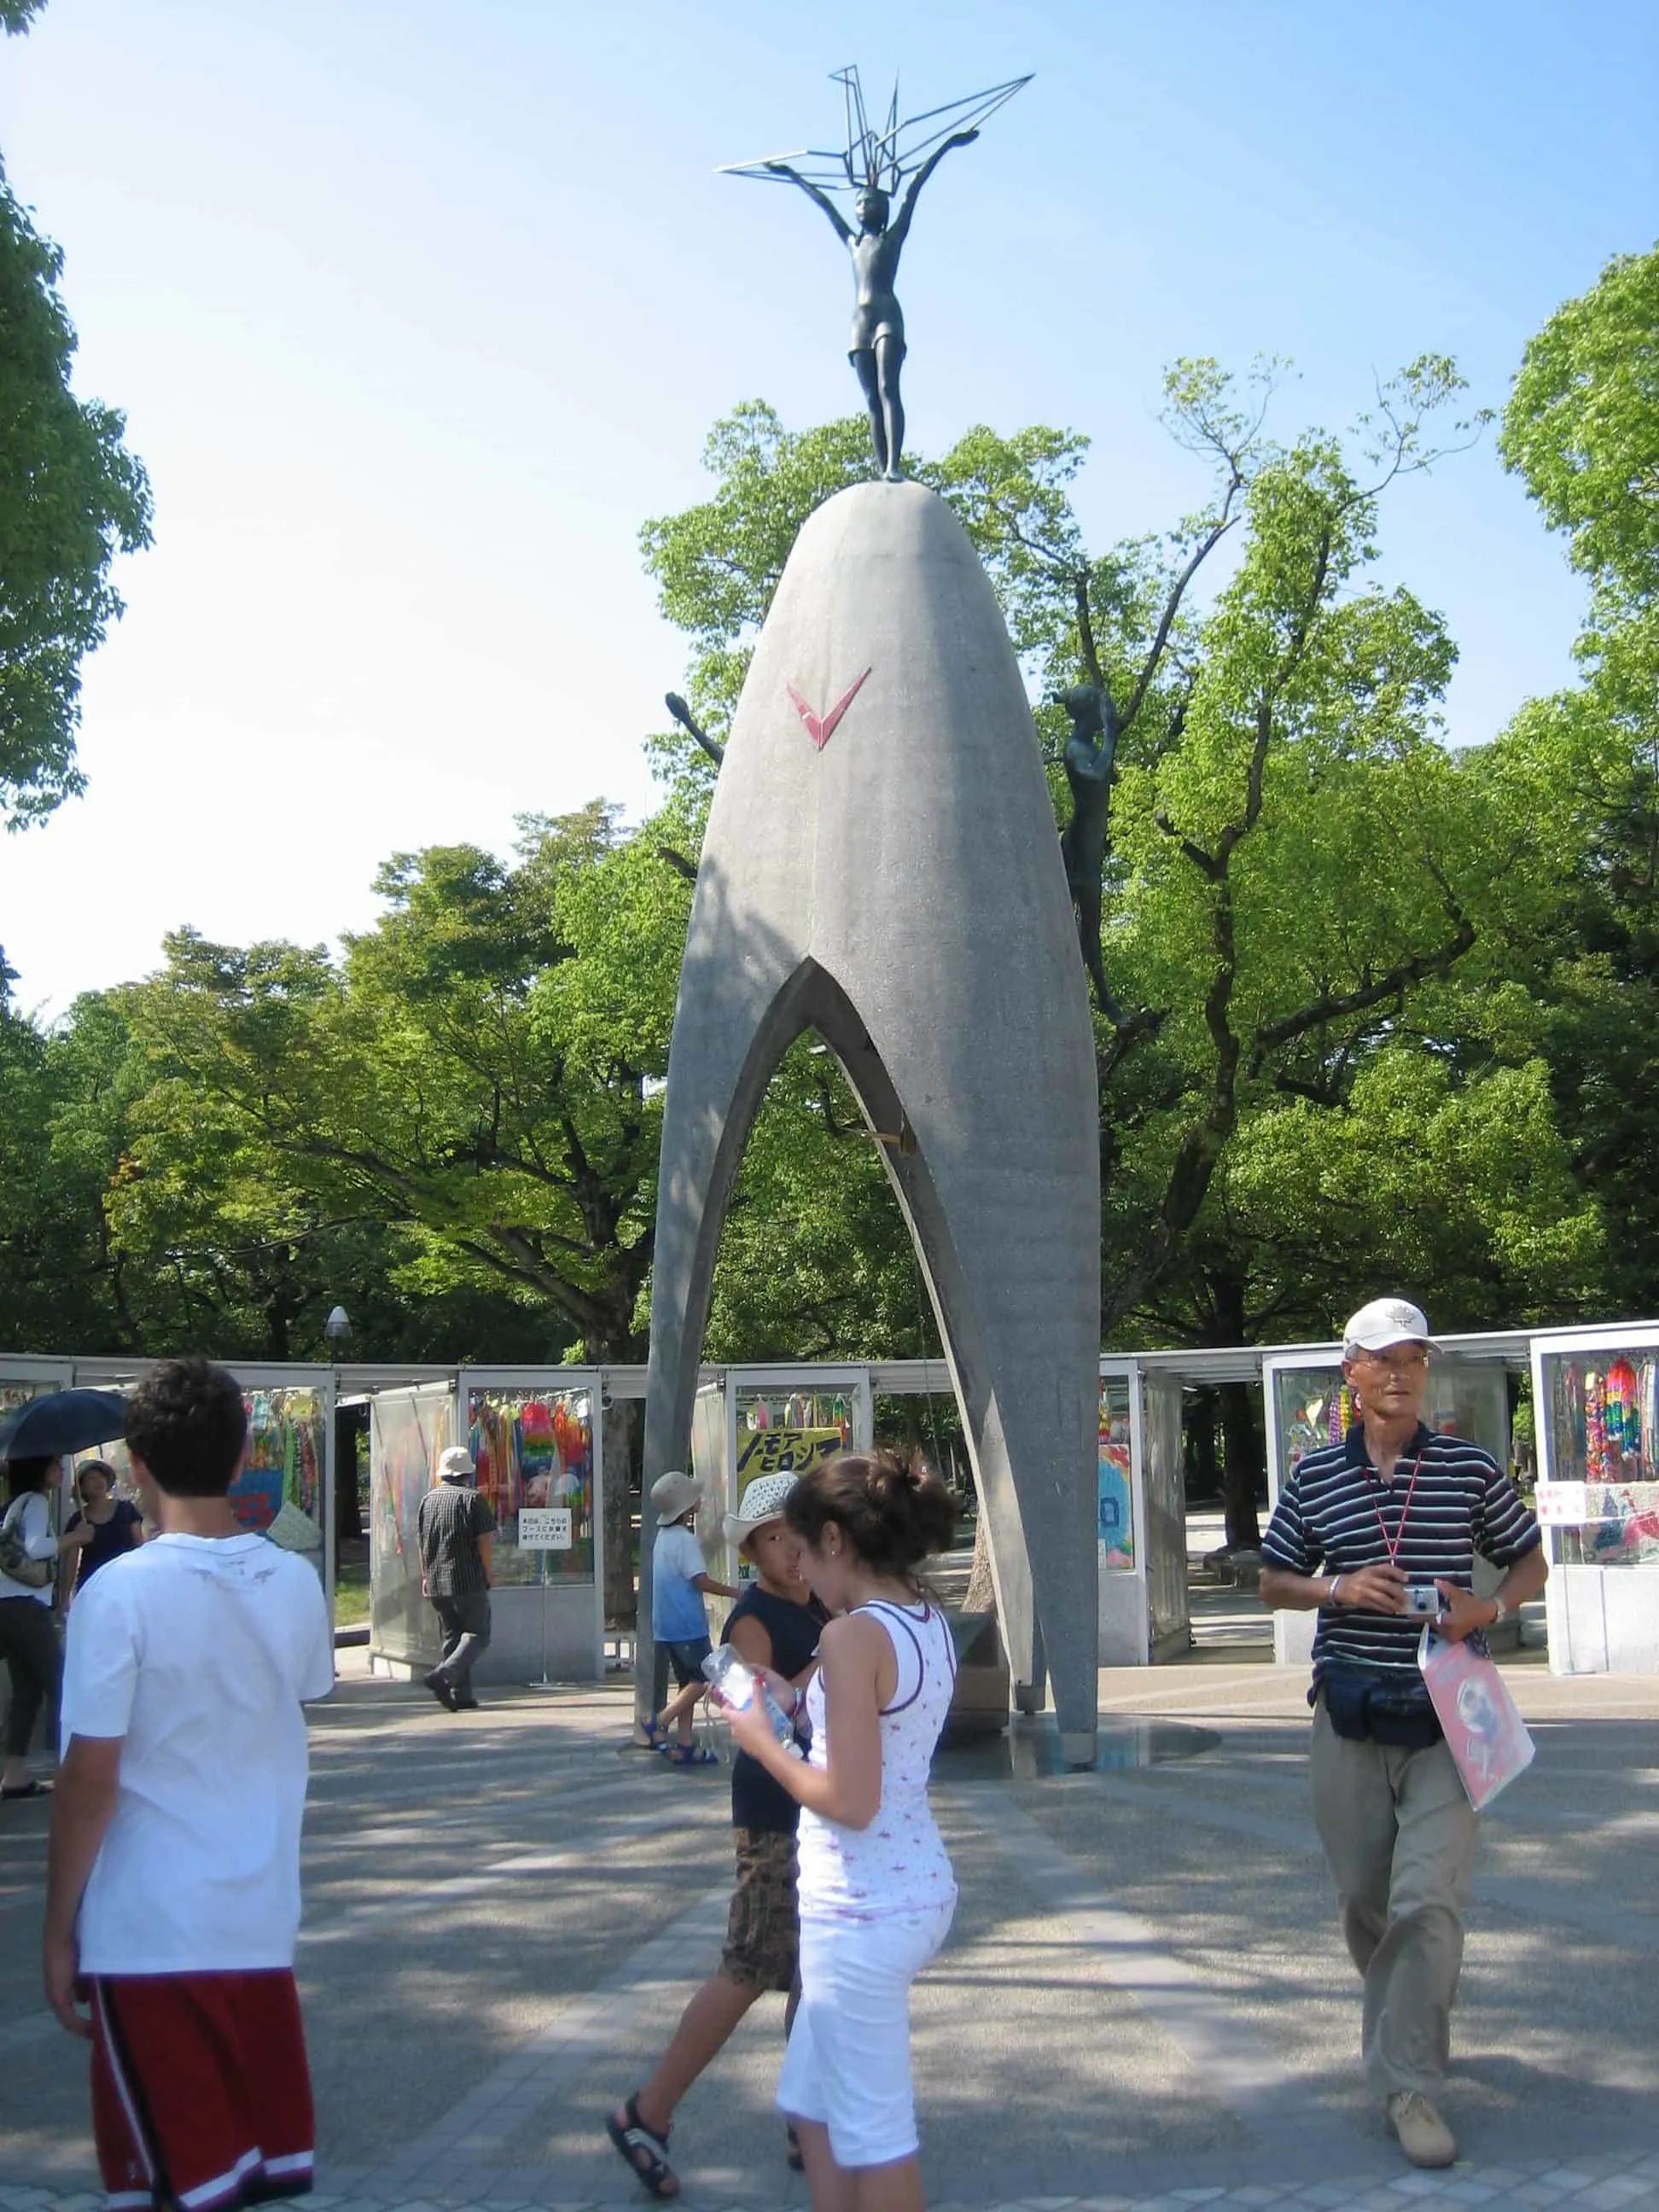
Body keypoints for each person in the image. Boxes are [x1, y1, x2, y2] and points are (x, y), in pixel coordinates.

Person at [1258, 1296, 1547, 2171]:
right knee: (1365, 1903)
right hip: (1348, 1714)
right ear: (1350, 1372)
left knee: (1428, 1903)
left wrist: (1489, 1606)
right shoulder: (1316, 1477)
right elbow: (1273, 1579)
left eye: (1414, 1360)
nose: (1400, 1374)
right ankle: (1403, 2022)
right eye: (1383, 1359)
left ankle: (1409, 2084)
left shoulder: (1465, 1466)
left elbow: (1530, 1555)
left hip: (1447, 1719)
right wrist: (1337, 1590)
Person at [44, 1354, 335, 2212]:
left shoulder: (119, 1593)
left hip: (150, 1937)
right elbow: (302, 1689)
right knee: (240, 2183)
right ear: (243, 1454)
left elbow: (89, 1776)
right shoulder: (293, 1581)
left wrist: (59, 1929)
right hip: (259, 1926)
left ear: (135, 1466)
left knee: (170, 2185)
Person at [719, 1452, 958, 2212]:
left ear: (832, 1540)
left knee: (874, 2133)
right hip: (897, 1890)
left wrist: (760, 1738)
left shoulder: (854, 1636)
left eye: (797, 1545)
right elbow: (882, 1740)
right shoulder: (920, 1616)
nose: (795, 1565)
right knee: (814, 2106)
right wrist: (793, 1704)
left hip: (862, 1907)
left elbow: (849, 1800)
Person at [609, 1470, 830, 2197]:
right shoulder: (753, 1619)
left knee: (811, 1971)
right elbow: (765, 1713)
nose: (793, 1552)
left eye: (803, 1537)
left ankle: (805, 2116)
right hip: (772, 1814)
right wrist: (828, 1666)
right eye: (777, 1540)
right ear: (754, 1548)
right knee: (747, 1967)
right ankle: (648, 2110)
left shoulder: (826, 1603)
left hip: (816, 1811)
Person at [763, 129, 979, 480]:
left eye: (869, 201)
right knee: (870, 400)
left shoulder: (893, 237)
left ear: (882, 208)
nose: (862, 205)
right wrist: (792, 176)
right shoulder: (852, 242)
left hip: (887, 317)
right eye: (859, 201)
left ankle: (894, 465)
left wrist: (948, 145)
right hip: (860, 321)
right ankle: (883, 468)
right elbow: (823, 205)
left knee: (888, 388)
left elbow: (915, 188)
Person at [641, 1469, 737, 1766]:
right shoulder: (684, 1539)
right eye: (694, 1497)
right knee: (706, 1678)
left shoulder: (664, 1537)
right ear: (686, 1506)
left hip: (666, 1626)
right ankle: (660, 1720)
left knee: (687, 1684)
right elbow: (701, 1581)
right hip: (687, 1624)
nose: (699, 1500)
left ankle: (685, 1744)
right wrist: (737, 1593)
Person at [1, 1453, 63, 1800]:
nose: (62, 1470)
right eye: (56, 1465)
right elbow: (36, 1547)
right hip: (27, 1606)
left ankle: (13, 1774)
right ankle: (68, 1765)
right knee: (60, 1681)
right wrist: (73, 1539)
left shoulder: (13, 1504)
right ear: (41, 1469)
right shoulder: (37, 1501)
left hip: (6, 1605)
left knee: (26, 1690)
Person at [416, 1443, 496, 1712]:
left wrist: (426, 1575)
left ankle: (462, 1694)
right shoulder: (473, 1500)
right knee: (478, 1634)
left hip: (437, 1580)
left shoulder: (428, 1500)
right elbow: (484, 1540)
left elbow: (421, 1542)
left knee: (453, 1636)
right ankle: (443, 1676)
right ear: (467, 1474)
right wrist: (488, 1571)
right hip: (467, 1579)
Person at [61, 1460, 145, 1605]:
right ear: (82, 1487)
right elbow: (71, 1562)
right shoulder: (79, 1520)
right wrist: (64, 1600)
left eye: (102, 1476)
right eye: (92, 1478)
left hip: (127, 1581)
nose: (99, 1481)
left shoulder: (126, 1509)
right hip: (92, 1585)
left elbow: (140, 1546)